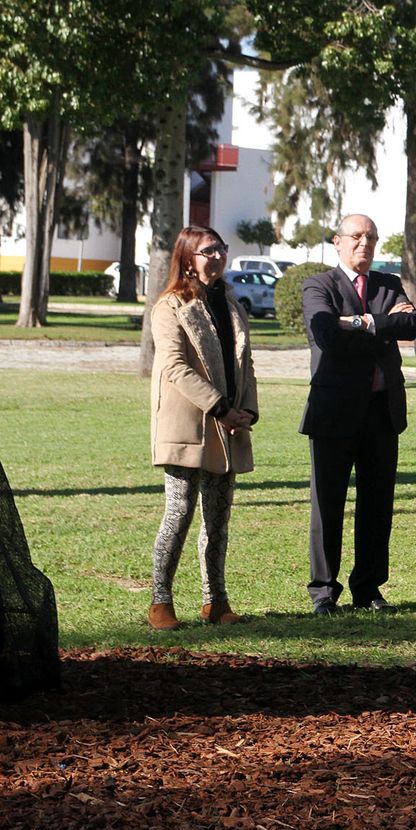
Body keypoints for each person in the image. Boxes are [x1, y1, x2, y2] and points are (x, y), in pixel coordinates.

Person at [299, 214, 416, 614]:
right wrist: (382, 328)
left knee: (377, 505)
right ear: (337, 241)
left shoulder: (387, 283)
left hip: (382, 412)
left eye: (371, 236)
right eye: (356, 236)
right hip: (334, 412)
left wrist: (360, 322)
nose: (363, 243)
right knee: (327, 505)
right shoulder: (319, 285)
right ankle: (323, 591)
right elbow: (328, 337)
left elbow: (411, 324)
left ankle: (368, 589)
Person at [147, 226, 258, 630]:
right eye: (208, 250)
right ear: (188, 259)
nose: (217, 256)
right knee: (179, 512)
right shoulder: (170, 306)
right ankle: (160, 601)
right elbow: (175, 367)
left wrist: (247, 411)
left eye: (221, 249)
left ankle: (216, 601)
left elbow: (245, 363)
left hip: (228, 425)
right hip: (188, 423)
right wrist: (221, 408)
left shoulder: (230, 304)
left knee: (217, 518)